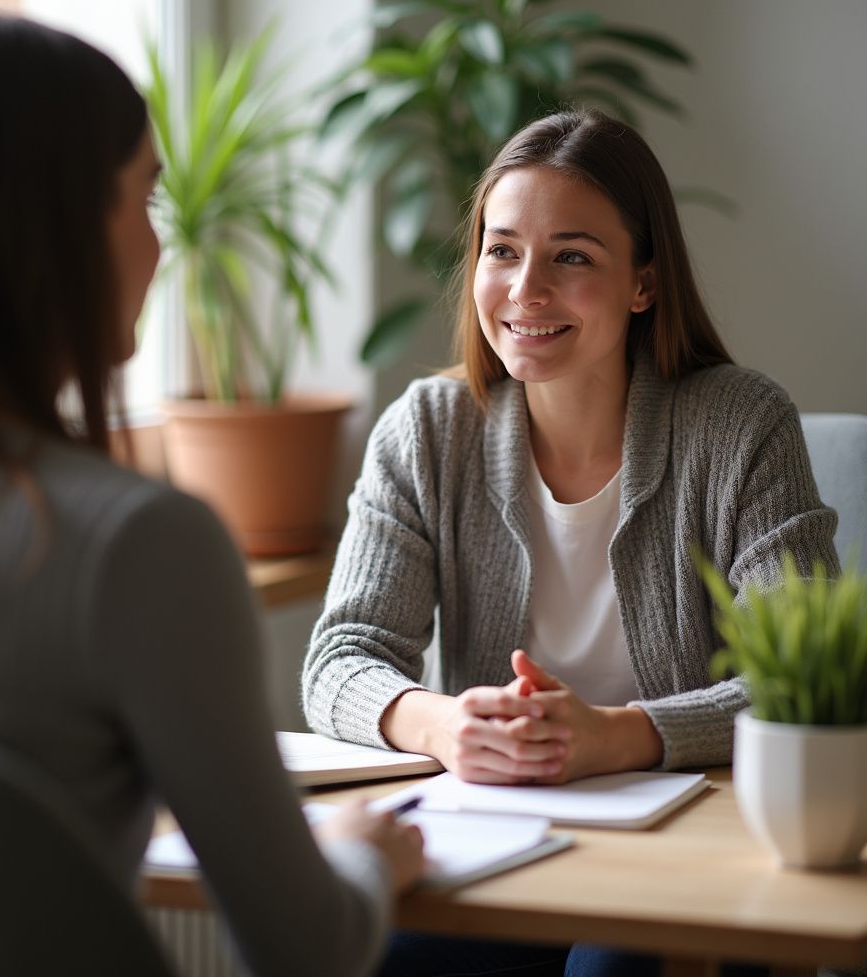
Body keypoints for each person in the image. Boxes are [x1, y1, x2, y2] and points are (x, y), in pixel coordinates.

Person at [0, 11, 423, 977]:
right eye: (144, 197)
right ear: (60, 225)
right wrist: (363, 852)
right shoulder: (139, 544)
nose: (162, 248)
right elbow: (305, 951)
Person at [302, 109, 838, 976]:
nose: (525, 290)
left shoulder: (742, 424)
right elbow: (340, 659)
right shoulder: (427, 431)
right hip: (498, 841)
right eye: (502, 250)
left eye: (572, 257)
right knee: (380, 950)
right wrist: (447, 726)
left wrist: (614, 736)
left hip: (700, 852)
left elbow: (811, 690)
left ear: (644, 283)